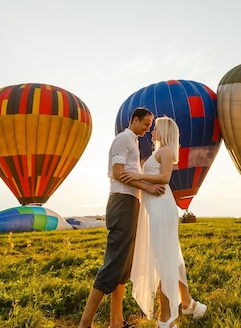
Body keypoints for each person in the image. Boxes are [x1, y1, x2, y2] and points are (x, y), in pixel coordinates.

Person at [78, 107, 166, 328]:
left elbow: (128, 173)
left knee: (125, 265)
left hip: (131, 202)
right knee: (114, 263)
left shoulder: (134, 141)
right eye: (146, 124)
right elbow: (118, 173)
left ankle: (116, 322)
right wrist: (147, 186)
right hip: (121, 202)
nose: (148, 129)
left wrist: (143, 188)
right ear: (134, 120)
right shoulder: (123, 139)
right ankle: (84, 324)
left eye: (150, 125)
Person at [120, 117, 207, 328]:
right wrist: (136, 179)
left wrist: (132, 175)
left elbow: (165, 178)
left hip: (161, 206)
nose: (152, 131)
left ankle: (166, 318)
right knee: (169, 256)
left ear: (165, 131)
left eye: (156, 128)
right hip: (155, 206)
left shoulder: (166, 151)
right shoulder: (158, 153)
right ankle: (189, 304)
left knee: (163, 260)